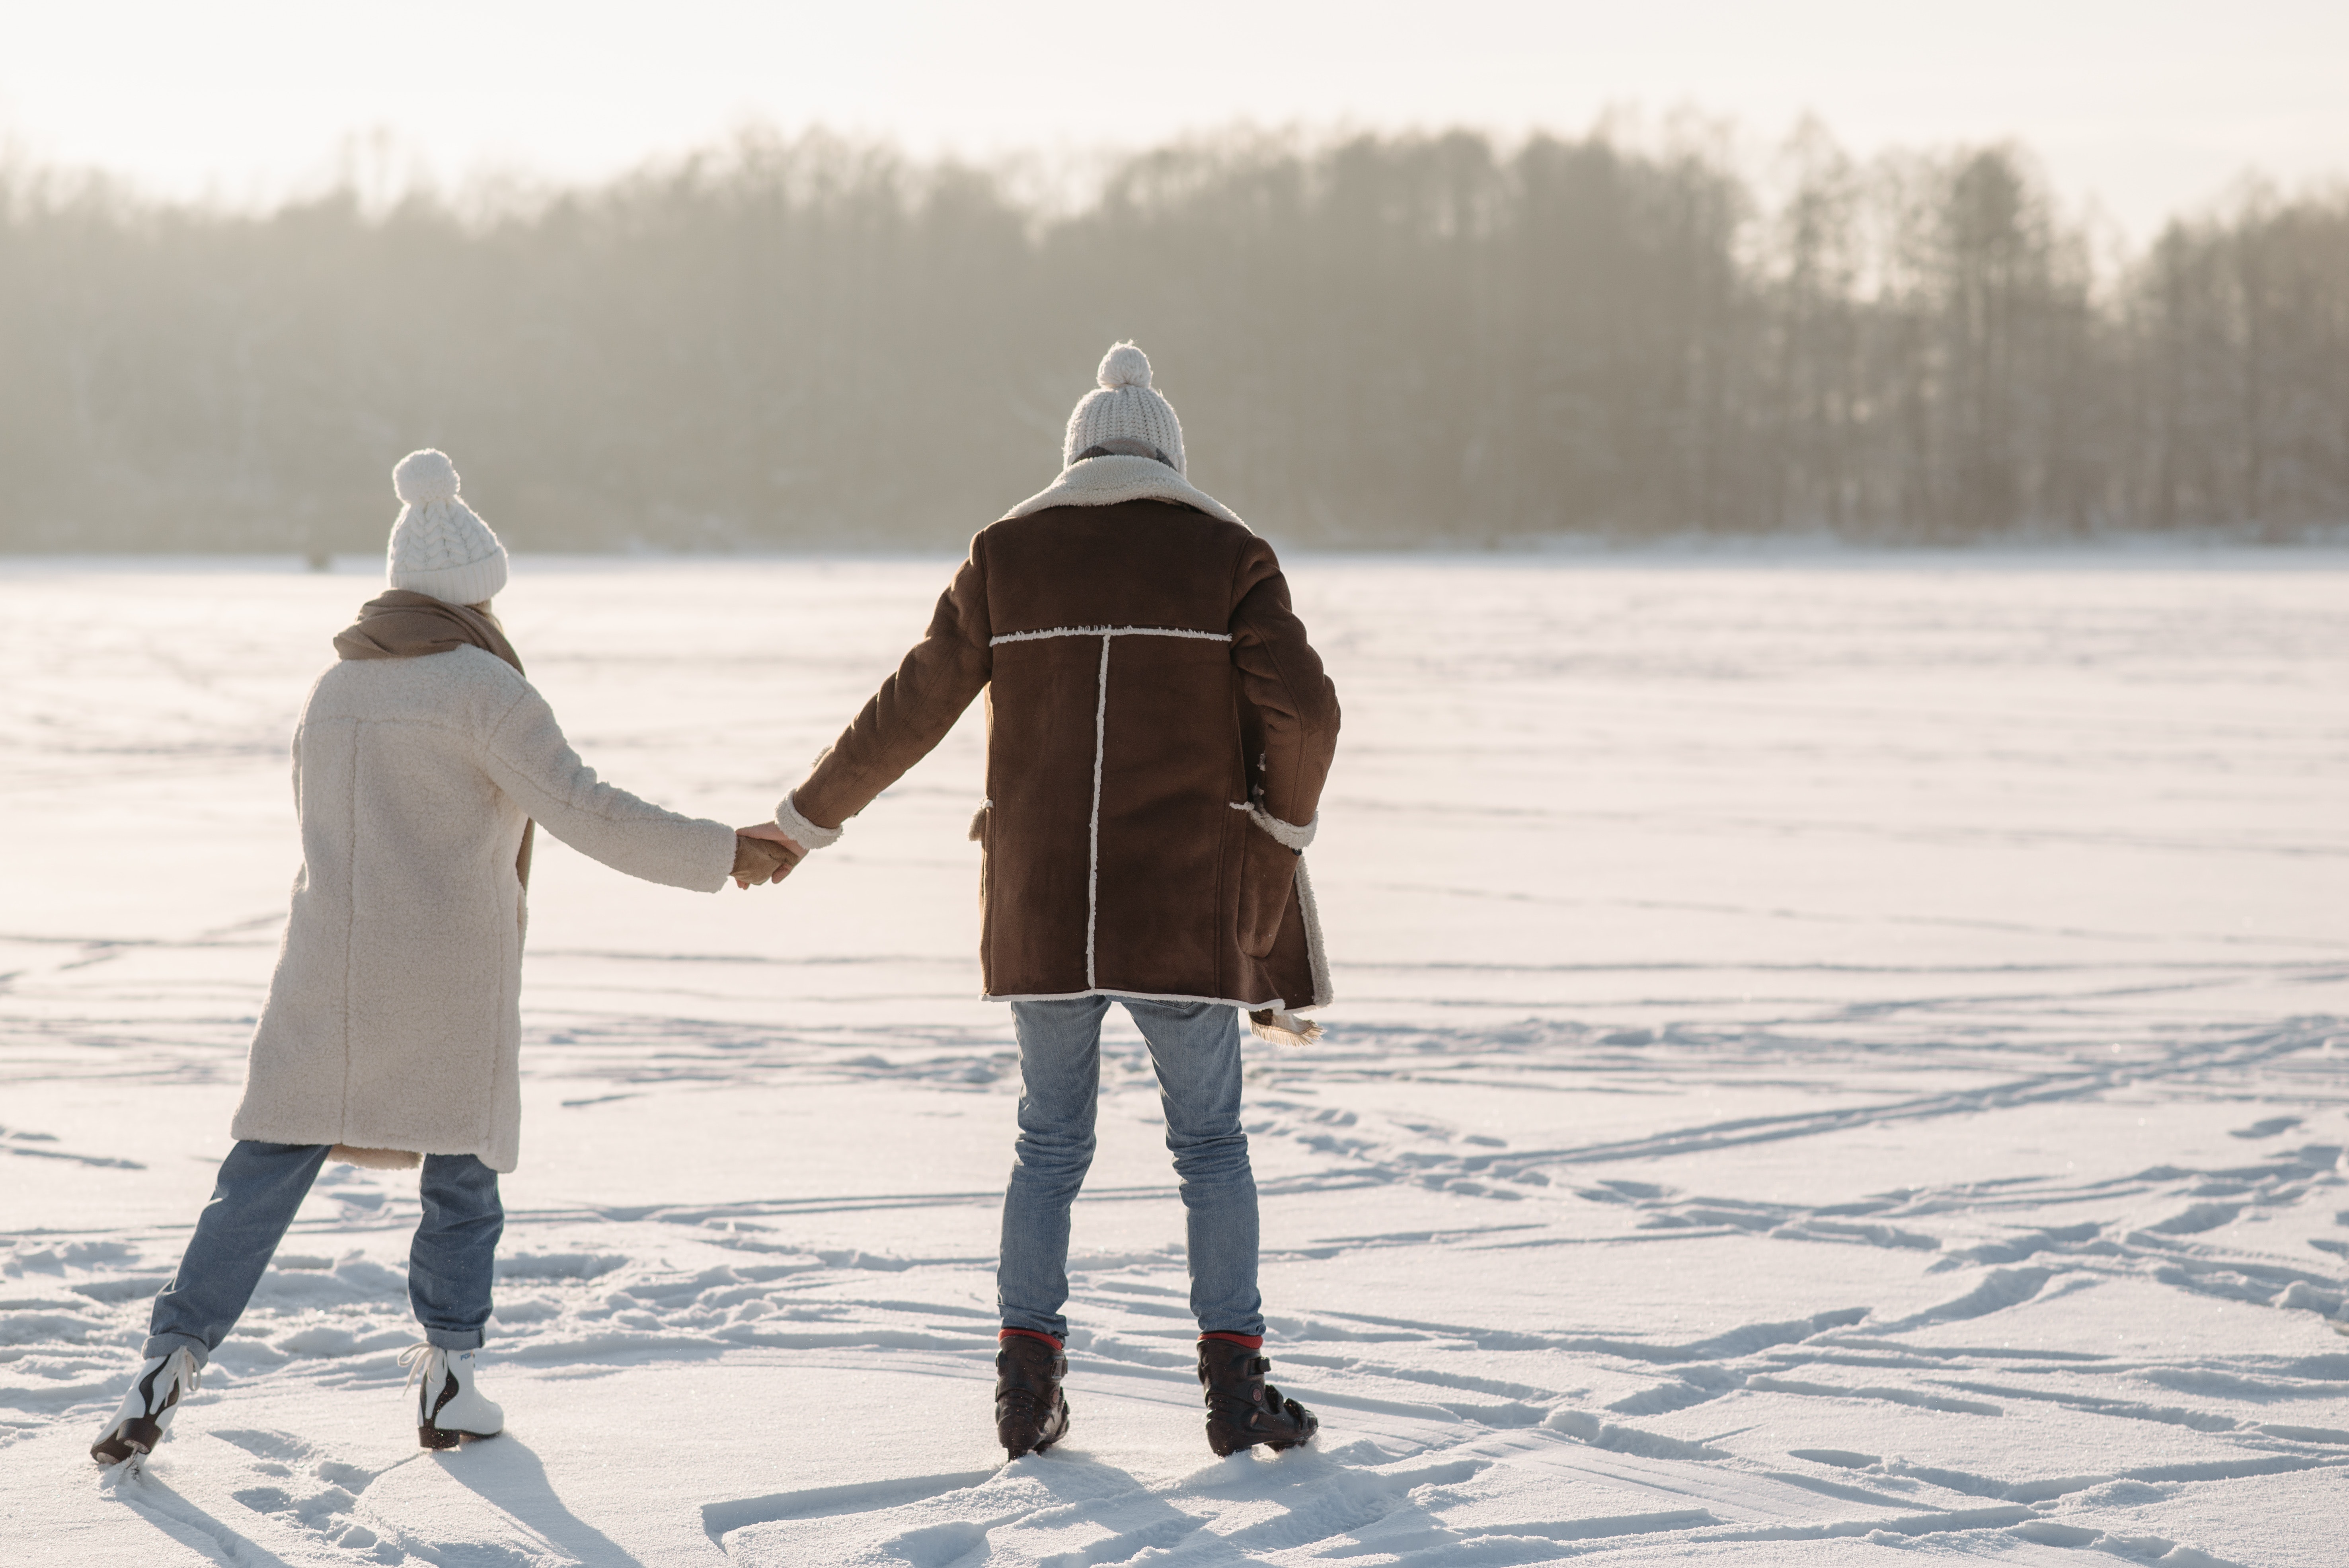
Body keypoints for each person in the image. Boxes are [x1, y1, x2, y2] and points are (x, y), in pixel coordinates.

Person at [91, 450, 786, 1467]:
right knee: (461, 1174)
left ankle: (170, 1357)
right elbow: (586, 808)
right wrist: (722, 852)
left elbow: (314, 823)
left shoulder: (333, 688)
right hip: (447, 969)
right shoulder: (483, 689)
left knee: (264, 1170)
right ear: (478, 596)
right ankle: (451, 1379)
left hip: (326, 965)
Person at [744, 344, 1339, 1460]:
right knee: (1210, 1145)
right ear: (1170, 455)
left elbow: (912, 704)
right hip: (1183, 904)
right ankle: (1235, 1384)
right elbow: (1303, 709)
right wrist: (1282, 825)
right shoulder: (1229, 555)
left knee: (1048, 1144)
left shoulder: (1006, 555)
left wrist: (806, 818)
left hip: (1040, 904)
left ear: (1074, 457)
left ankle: (1027, 1387)